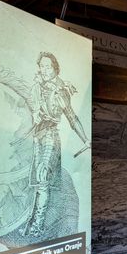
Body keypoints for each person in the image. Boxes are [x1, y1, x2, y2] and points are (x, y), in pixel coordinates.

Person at [21, 51, 89, 237]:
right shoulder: (37, 87)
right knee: (34, 182)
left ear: (55, 68)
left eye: (47, 66)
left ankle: (37, 227)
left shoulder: (60, 90)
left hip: (50, 137)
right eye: (41, 66)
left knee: (42, 181)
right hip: (36, 137)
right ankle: (31, 221)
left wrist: (85, 139)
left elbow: (72, 117)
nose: (43, 69)